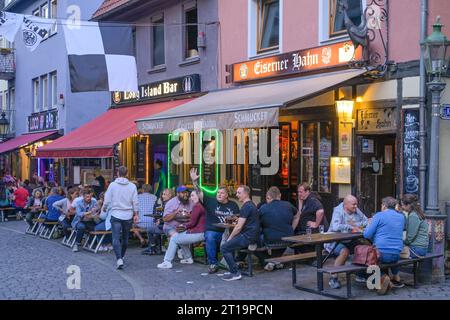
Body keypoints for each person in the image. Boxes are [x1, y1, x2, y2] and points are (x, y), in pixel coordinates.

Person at [190, 168, 240, 273]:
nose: (219, 194)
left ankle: (230, 262)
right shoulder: (210, 201)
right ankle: (213, 263)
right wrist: (194, 181)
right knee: (210, 236)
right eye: (218, 193)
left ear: (227, 195)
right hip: (213, 231)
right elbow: (199, 192)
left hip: (227, 232)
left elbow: (237, 220)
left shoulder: (233, 205)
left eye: (222, 193)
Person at [325, 195, 369, 289]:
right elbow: (335, 227)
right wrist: (351, 226)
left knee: (364, 248)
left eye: (356, 204)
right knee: (344, 252)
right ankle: (333, 278)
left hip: (349, 239)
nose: (356, 206)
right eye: (354, 204)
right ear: (346, 205)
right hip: (333, 240)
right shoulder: (338, 211)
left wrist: (354, 225)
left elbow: (366, 221)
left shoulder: (355, 210)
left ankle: (360, 274)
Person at [363, 197, 405, 295]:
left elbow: (367, 235)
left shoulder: (379, 215)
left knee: (363, 261)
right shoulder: (401, 217)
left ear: (384, 206)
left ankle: (383, 277)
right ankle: (387, 279)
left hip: (381, 254)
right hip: (397, 253)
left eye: (381, 205)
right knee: (383, 257)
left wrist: (369, 224)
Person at [157, 190, 206, 268]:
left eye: (192, 196)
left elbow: (192, 223)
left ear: (199, 196)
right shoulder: (201, 205)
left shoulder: (197, 206)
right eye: (191, 196)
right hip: (201, 231)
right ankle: (188, 258)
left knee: (174, 238)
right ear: (177, 194)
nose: (191, 198)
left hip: (198, 232)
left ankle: (167, 261)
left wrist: (183, 226)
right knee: (179, 236)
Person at [102, 166, 139, 270]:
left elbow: (107, 198)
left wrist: (104, 207)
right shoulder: (132, 186)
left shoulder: (112, 185)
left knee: (115, 237)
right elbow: (135, 201)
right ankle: (122, 256)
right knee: (125, 238)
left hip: (116, 214)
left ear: (118, 173)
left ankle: (119, 258)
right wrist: (136, 214)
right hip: (128, 215)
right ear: (127, 174)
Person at [220, 185, 260, 281]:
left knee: (225, 247)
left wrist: (230, 238)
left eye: (239, 193)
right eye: (237, 192)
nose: (237, 195)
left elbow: (238, 227)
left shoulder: (246, 207)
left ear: (246, 194)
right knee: (230, 246)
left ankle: (235, 273)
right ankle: (232, 269)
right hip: (252, 235)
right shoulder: (251, 204)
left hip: (248, 236)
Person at [256, 186, 297, 271]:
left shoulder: (263, 208)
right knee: (278, 235)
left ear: (268, 197)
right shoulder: (288, 205)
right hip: (288, 238)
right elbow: (297, 215)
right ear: (280, 195)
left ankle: (267, 261)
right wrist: (292, 228)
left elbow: (257, 224)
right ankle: (276, 261)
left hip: (271, 239)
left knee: (253, 240)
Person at [142, 188, 174, 255]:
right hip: (165, 225)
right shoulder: (165, 203)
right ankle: (155, 248)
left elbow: (168, 217)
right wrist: (159, 220)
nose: (162, 196)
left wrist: (160, 220)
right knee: (154, 227)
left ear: (170, 195)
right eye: (162, 194)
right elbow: (162, 215)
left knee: (150, 229)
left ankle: (153, 248)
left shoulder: (170, 204)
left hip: (169, 227)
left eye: (164, 194)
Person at [401, 194, 429, 258]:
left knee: (393, 253)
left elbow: (410, 237)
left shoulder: (413, 215)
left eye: (402, 205)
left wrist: (402, 242)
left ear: (408, 205)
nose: (402, 207)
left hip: (416, 249)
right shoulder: (418, 213)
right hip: (421, 248)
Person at [72, 188, 98, 252]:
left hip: (90, 220)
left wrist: (95, 211)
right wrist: (89, 212)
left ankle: (90, 243)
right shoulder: (78, 203)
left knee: (96, 228)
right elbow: (79, 213)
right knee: (81, 227)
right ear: (83, 196)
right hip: (79, 221)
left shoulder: (94, 202)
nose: (89, 198)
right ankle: (76, 244)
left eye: (90, 196)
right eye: (87, 197)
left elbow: (96, 211)